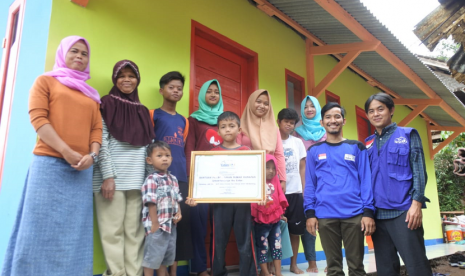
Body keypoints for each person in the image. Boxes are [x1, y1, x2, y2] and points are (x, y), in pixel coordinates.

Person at [2, 36, 102, 275]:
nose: (79, 56)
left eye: (84, 54)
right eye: (74, 51)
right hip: (48, 165)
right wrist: (67, 152)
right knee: (38, 228)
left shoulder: (91, 95)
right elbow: (38, 119)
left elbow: (96, 129)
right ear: (63, 54)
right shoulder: (45, 81)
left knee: (74, 232)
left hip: (81, 170)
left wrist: (93, 156)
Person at [93, 60, 154, 276]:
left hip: (137, 181)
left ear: (138, 80)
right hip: (112, 180)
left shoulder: (143, 111)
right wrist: (108, 176)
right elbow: (102, 141)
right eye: (122, 75)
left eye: (131, 75)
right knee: (113, 232)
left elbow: (148, 148)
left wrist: (148, 181)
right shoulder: (106, 103)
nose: (127, 80)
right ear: (115, 78)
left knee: (135, 233)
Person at [364, 92, 432, 276]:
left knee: (417, 266)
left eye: (380, 109)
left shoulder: (408, 134)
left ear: (391, 110)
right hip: (378, 216)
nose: (376, 114)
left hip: (404, 212)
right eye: (371, 111)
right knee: (386, 270)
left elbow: (419, 171)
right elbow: (364, 181)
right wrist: (367, 213)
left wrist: (416, 204)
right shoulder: (367, 144)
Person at [304, 102, 375, 276]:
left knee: (356, 266)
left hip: (354, 214)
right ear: (322, 122)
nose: (332, 120)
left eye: (337, 116)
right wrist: (310, 214)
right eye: (328, 117)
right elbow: (310, 184)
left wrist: (368, 212)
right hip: (325, 215)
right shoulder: (314, 151)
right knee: (333, 268)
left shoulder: (357, 147)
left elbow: (366, 181)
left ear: (344, 121)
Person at [187, 111, 257, 276]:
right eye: (223, 127)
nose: (228, 130)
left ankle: (248, 273)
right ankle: (218, 272)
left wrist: (259, 194)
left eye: (232, 126)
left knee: (246, 241)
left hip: (243, 203)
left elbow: (254, 178)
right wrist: (196, 196)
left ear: (239, 129)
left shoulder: (247, 152)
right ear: (218, 131)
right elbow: (206, 179)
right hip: (220, 204)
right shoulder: (212, 153)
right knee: (218, 242)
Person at [149, 71, 192, 276]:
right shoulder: (153, 114)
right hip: (158, 182)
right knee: (158, 228)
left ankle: (173, 273)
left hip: (179, 179)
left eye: (179, 88)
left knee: (177, 226)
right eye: (171, 87)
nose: (176, 91)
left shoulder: (184, 120)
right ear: (162, 90)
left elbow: (182, 149)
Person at [185, 79, 223, 276]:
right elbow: (190, 148)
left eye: (216, 92)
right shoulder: (194, 120)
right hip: (200, 181)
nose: (213, 95)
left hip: (223, 181)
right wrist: (191, 178)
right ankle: (200, 269)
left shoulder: (225, 120)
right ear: (202, 95)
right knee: (198, 226)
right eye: (209, 91)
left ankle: (217, 267)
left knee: (219, 227)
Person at [293, 95, 326, 273]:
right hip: (305, 181)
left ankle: (332, 259)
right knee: (309, 220)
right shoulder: (297, 132)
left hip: (326, 182)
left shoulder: (326, 131)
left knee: (329, 222)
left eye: (312, 106)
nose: (309, 109)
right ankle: (312, 262)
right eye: (305, 107)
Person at [141, 141, 182, 276]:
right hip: (157, 226)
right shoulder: (152, 179)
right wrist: (155, 223)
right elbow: (150, 202)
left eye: (167, 155)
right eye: (159, 156)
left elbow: (176, 198)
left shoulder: (173, 179)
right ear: (149, 160)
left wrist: (179, 212)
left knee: (164, 258)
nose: (164, 158)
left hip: (170, 226)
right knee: (152, 258)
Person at [276, 108, 309, 274]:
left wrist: (304, 189)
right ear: (278, 122)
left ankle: (293, 264)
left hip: (295, 192)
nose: (289, 125)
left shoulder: (297, 142)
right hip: (276, 193)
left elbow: (302, 167)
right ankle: (271, 266)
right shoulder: (271, 140)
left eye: (292, 123)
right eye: (286, 122)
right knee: (273, 230)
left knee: (295, 231)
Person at [239, 89, 286, 190]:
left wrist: (282, 179)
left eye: (266, 103)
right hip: (246, 176)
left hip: (269, 177)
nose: (262, 106)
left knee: (268, 205)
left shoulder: (274, 128)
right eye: (258, 101)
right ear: (251, 102)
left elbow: (279, 155)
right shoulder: (241, 126)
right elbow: (235, 152)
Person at [251, 154, 289, 276]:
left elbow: (279, 197)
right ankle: (265, 273)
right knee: (263, 247)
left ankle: (278, 273)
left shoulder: (276, 180)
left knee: (277, 246)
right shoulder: (256, 181)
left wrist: (281, 214)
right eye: (267, 167)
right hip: (261, 221)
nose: (271, 171)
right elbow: (252, 202)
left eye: (273, 168)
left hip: (275, 221)